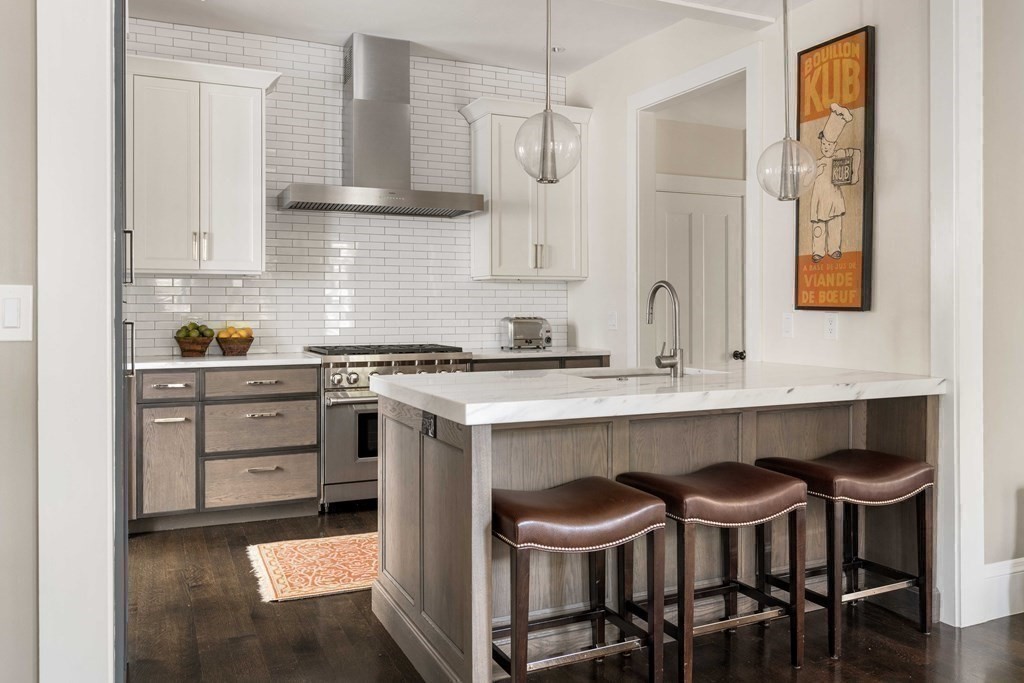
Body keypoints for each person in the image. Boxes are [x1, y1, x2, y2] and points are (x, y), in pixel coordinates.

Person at [809, 103, 861, 262]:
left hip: (833, 199)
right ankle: (818, 251)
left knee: (834, 225)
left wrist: (854, 174)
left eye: (829, 144)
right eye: (824, 144)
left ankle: (834, 249)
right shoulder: (817, 163)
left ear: (835, 145)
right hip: (819, 200)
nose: (826, 147)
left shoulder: (838, 156)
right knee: (818, 227)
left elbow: (856, 153)